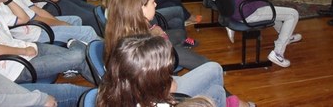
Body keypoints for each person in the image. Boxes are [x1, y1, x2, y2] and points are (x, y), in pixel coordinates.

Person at [0, 0, 95, 84]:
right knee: (78, 55)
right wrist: (24, 51)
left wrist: (8, 0)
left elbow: (24, 18)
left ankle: (105, 82)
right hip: (17, 67)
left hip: (28, 48)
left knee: (80, 56)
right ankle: (78, 45)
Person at [99, 34, 255, 107]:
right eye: (166, 72)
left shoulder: (120, 87)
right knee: (216, 83)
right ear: (152, 80)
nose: (170, 74)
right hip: (171, 99)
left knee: (217, 91)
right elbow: (172, 87)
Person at [104, 0, 207, 70]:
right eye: (152, 2)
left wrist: (152, 32)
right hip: (160, 58)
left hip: (157, 49)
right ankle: (178, 51)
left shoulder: (126, 25)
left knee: (180, 33)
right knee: (207, 65)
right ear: (141, 8)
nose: (156, 4)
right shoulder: (140, 47)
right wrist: (159, 39)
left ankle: (180, 46)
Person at [0, 59, 89, 107]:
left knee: (70, 92)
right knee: (78, 56)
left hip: (0, 95)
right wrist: (38, 99)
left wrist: (35, 98)